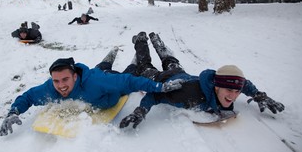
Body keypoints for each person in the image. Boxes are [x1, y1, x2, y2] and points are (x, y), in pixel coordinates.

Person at [0, 47, 186, 136]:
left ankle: (134, 58)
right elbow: (29, 96)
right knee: (101, 65)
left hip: (107, 87)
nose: (61, 85)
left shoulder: (98, 82)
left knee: (127, 72)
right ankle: (112, 53)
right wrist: (13, 111)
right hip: (95, 74)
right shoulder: (52, 87)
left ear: (74, 77)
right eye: (56, 81)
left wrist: (159, 87)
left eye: (65, 79)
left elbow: (129, 82)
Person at [119, 32, 285, 129]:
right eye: (229, 91)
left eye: (236, 92)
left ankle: (156, 39)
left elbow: (244, 83)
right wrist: (141, 110)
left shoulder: (221, 84)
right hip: (162, 80)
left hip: (180, 73)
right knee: (145, 66)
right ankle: (141, 40)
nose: (234, 96)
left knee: (170, 60)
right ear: (217, 86)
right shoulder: (188, 96)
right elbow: (156, 96)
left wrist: (259, 95)